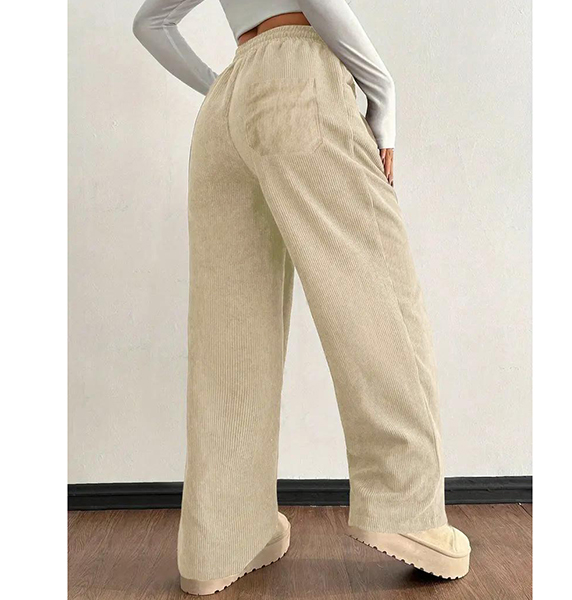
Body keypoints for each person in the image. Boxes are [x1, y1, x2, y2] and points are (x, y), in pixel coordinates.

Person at [133, 0, 471, 595]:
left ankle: (222, 540)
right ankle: (407, 508)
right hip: (299, 79)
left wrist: (224, 88)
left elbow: (150, 23)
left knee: (229, 332)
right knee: (377, 291)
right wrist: (383, 92)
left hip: (226, 108)